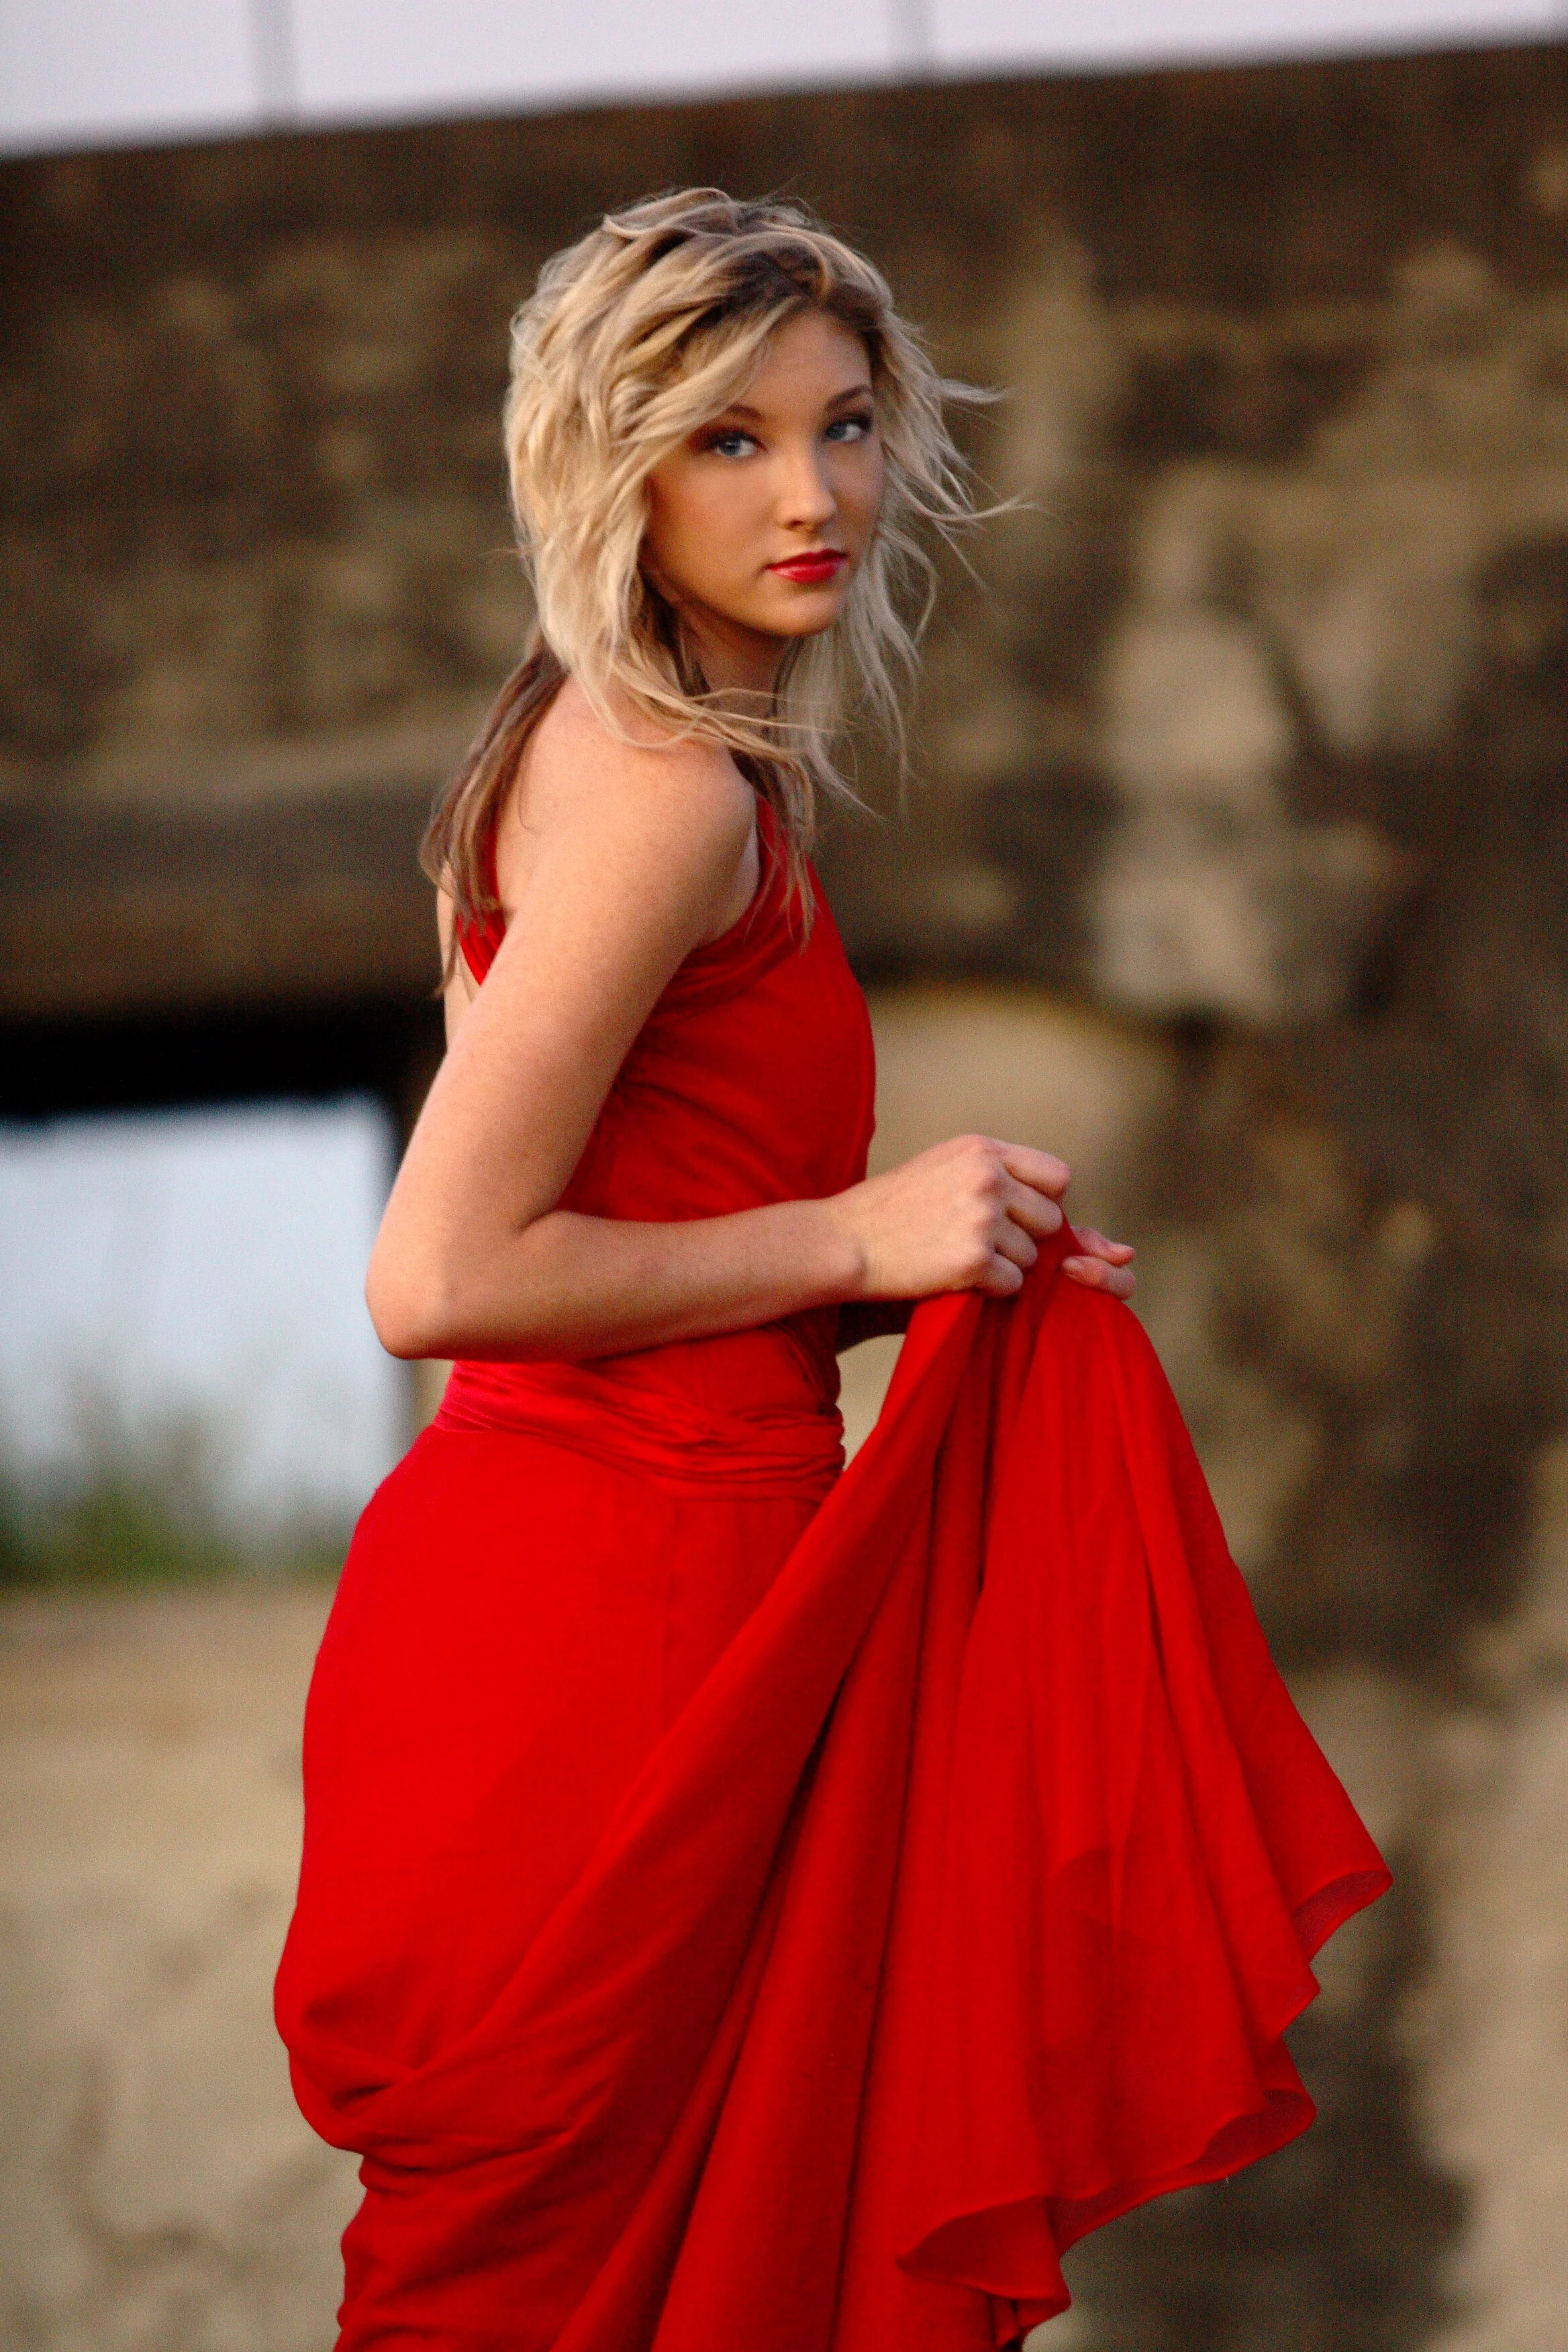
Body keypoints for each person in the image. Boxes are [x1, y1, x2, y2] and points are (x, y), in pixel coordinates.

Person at [277, 191, 1389, 2352]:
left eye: (846, 425)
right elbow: (440, 1271)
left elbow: (612, 1223)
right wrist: (856, 1231)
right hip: (609, 1620)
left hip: (612, 1584)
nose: (813, 494)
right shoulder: (663, 791)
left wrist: (912, 1276)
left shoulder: (612, 756)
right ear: (615, 466)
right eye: (730, 437)